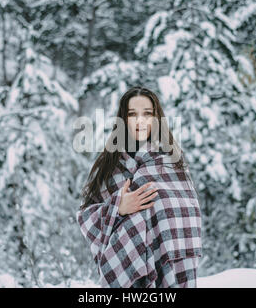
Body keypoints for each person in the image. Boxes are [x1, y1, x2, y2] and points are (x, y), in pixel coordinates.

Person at [77, 86, 202, 288]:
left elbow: (188, 220)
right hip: (127, 275)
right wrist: (117, 207)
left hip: (170, 271)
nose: (140, 121)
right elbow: (85, 215)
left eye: (147, 113)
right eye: (132, 114)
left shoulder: (172, 163)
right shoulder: (109, 164)